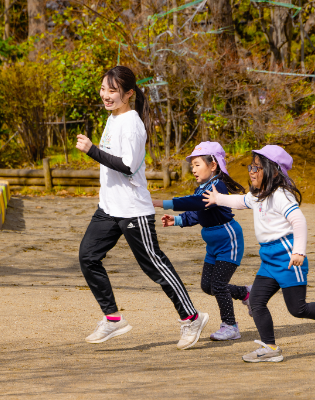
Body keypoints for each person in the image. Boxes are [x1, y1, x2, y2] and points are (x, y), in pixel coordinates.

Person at [75, 66, 209, 350]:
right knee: (88, 256)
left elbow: (127, 166)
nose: (106, 95)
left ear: (128, 94)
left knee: (155, 266)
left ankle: (192, 318)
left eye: (112, 91)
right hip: (109, 207)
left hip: (134, 209)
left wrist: (91, 151)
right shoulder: (112, 119)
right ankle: (112, 318)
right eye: (103, 89)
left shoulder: (133, 124)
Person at [203, 145, 315, 362]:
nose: (252, 171)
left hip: (287, 257)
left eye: (258, 168)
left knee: (298, 309)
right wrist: (218, 198)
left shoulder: (281, 195)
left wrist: (299, 251)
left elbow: (298, 220)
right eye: (251, 167)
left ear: (274, 171)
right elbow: (241, 201)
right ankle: (270, 348)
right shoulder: (258, 195)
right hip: (268, 258)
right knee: (256, 301)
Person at [153, 142, 251, 341]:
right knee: (208, 286)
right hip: (213, 245)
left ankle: (231, 326)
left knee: (219, 284)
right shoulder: (203, 187)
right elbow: (197, 213)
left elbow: (196, 203)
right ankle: (246, 293)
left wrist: (161, 203)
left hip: (228, 240)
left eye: (197, 164)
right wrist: (177, 220)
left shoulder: (217, 186)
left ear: (213, 165)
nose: (194, 170)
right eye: (192, 166)